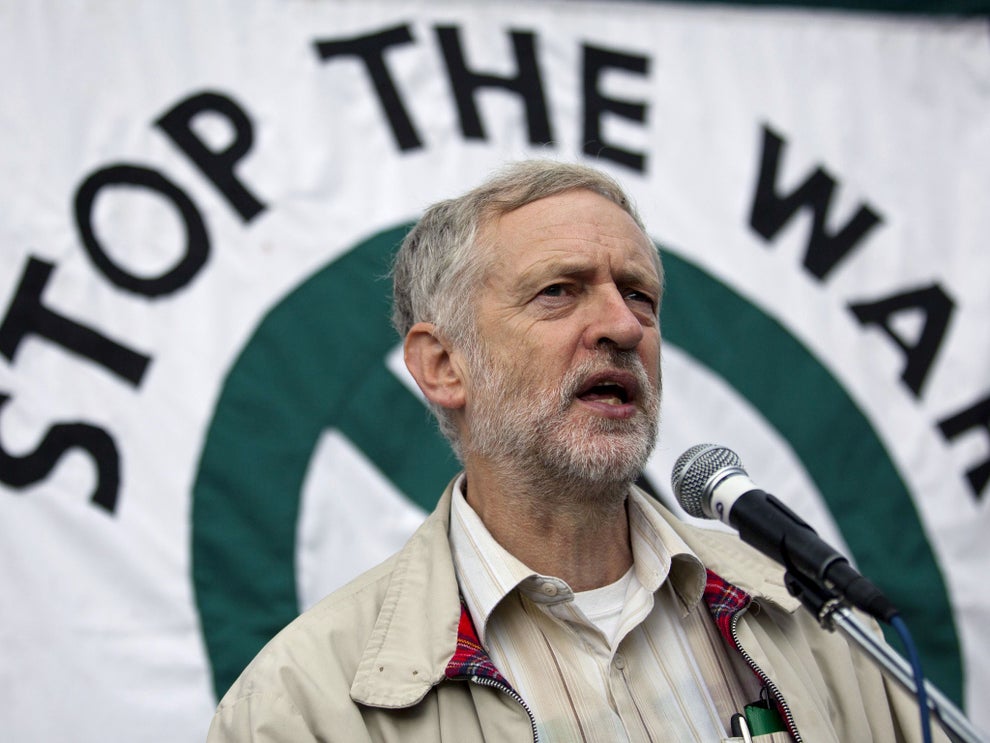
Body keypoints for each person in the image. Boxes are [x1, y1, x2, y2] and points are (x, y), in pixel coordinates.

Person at [207, 160, 945, 742]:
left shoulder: (815, 624)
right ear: (443, 366)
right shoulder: (303, 705)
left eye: (640, 295)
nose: (622, 327)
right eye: (559, 291)